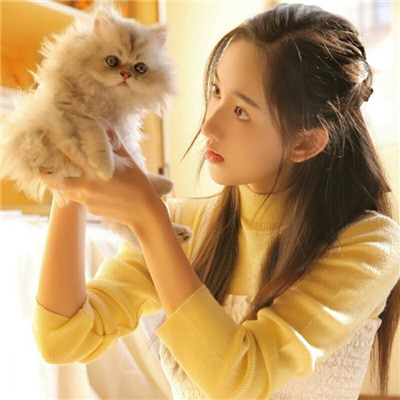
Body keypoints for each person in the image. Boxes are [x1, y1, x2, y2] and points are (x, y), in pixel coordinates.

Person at [34, 3, 400, 399]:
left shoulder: (369, 244)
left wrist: (149, 221)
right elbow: (62, 339)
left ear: (305, 142)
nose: (208, 124)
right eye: (216, 91)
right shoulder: (183, 222)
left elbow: (239, 379)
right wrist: (71, 163)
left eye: (241, 111)